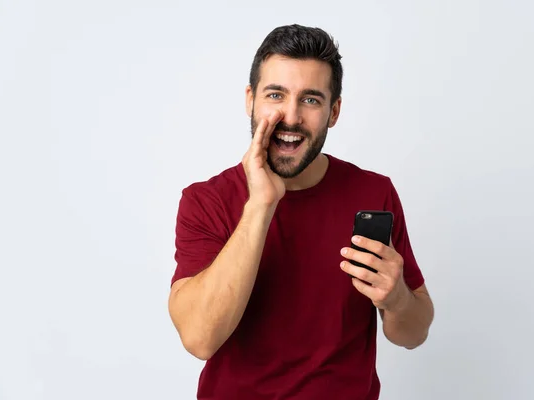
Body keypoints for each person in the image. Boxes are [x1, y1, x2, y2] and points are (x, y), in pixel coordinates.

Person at [168, 24, 435, 399]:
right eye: (275, 95)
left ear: (334, 110)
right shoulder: (206, 201)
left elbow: (414, 332)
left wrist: (396, 299)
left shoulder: (375, 193)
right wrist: (261, 203)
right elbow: (199, 339)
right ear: (250, 100)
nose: (290, 117)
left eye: (310, 99)